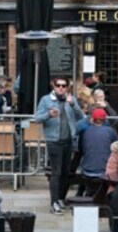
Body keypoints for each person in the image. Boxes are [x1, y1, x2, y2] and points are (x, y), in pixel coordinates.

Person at [34, 77, 85, 214]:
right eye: (58, 85)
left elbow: (82, 117)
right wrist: (48, 114)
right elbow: (37, 118)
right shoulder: (46, 100)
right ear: (53, 86)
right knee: (56, 173)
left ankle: (61, 198)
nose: (61, 88)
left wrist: (73, 104)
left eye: (64, 85)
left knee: (65, 172)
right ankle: (54, 202)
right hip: (54, 141)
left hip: (68, 141)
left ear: (67, 87)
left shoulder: (70, 99)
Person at [80, 108, 118, 180]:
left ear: (92, 119)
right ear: (105, 119)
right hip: (105, 171)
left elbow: (81, 149)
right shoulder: (110, 131)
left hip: (87, 171)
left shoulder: (85, 132)